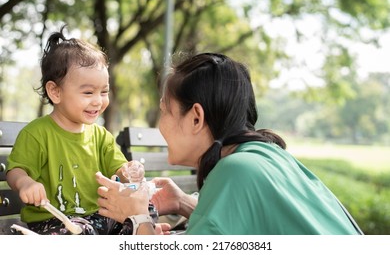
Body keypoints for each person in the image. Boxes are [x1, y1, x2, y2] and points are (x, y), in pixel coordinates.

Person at [95, 52, 363, 235]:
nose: (160, 124)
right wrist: (183, 202)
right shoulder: (261, 155)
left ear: (196, 118)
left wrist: (139, 217)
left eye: (165, 111)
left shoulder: (237, 170)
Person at [6, 25, 132, 235]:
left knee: (139, 216)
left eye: (104, 91)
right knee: (77, 233)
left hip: (98, 219)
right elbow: (16, 170)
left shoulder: (101, 136)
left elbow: (119, 168)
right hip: (52, 220)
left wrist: (129, 173)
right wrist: (25, 183)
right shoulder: (37, 133)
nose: (98, 101)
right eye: (88, 92)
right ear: (55, 92)